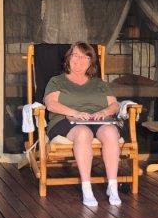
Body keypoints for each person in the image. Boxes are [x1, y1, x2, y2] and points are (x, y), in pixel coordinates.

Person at [43, 42, 122, 207]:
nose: (78, 60)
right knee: (83, 133)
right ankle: (87, 188)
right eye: (75, 55)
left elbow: (115, 105)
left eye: (84, 57)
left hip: (96, 119)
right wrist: (75, 113)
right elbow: (51, 104)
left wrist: (104, 112)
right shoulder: (57, 81)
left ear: (90, 62)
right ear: (68, 58)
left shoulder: (100, 83)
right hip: (65, 120)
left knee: (111, 132)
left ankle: (112, 186)